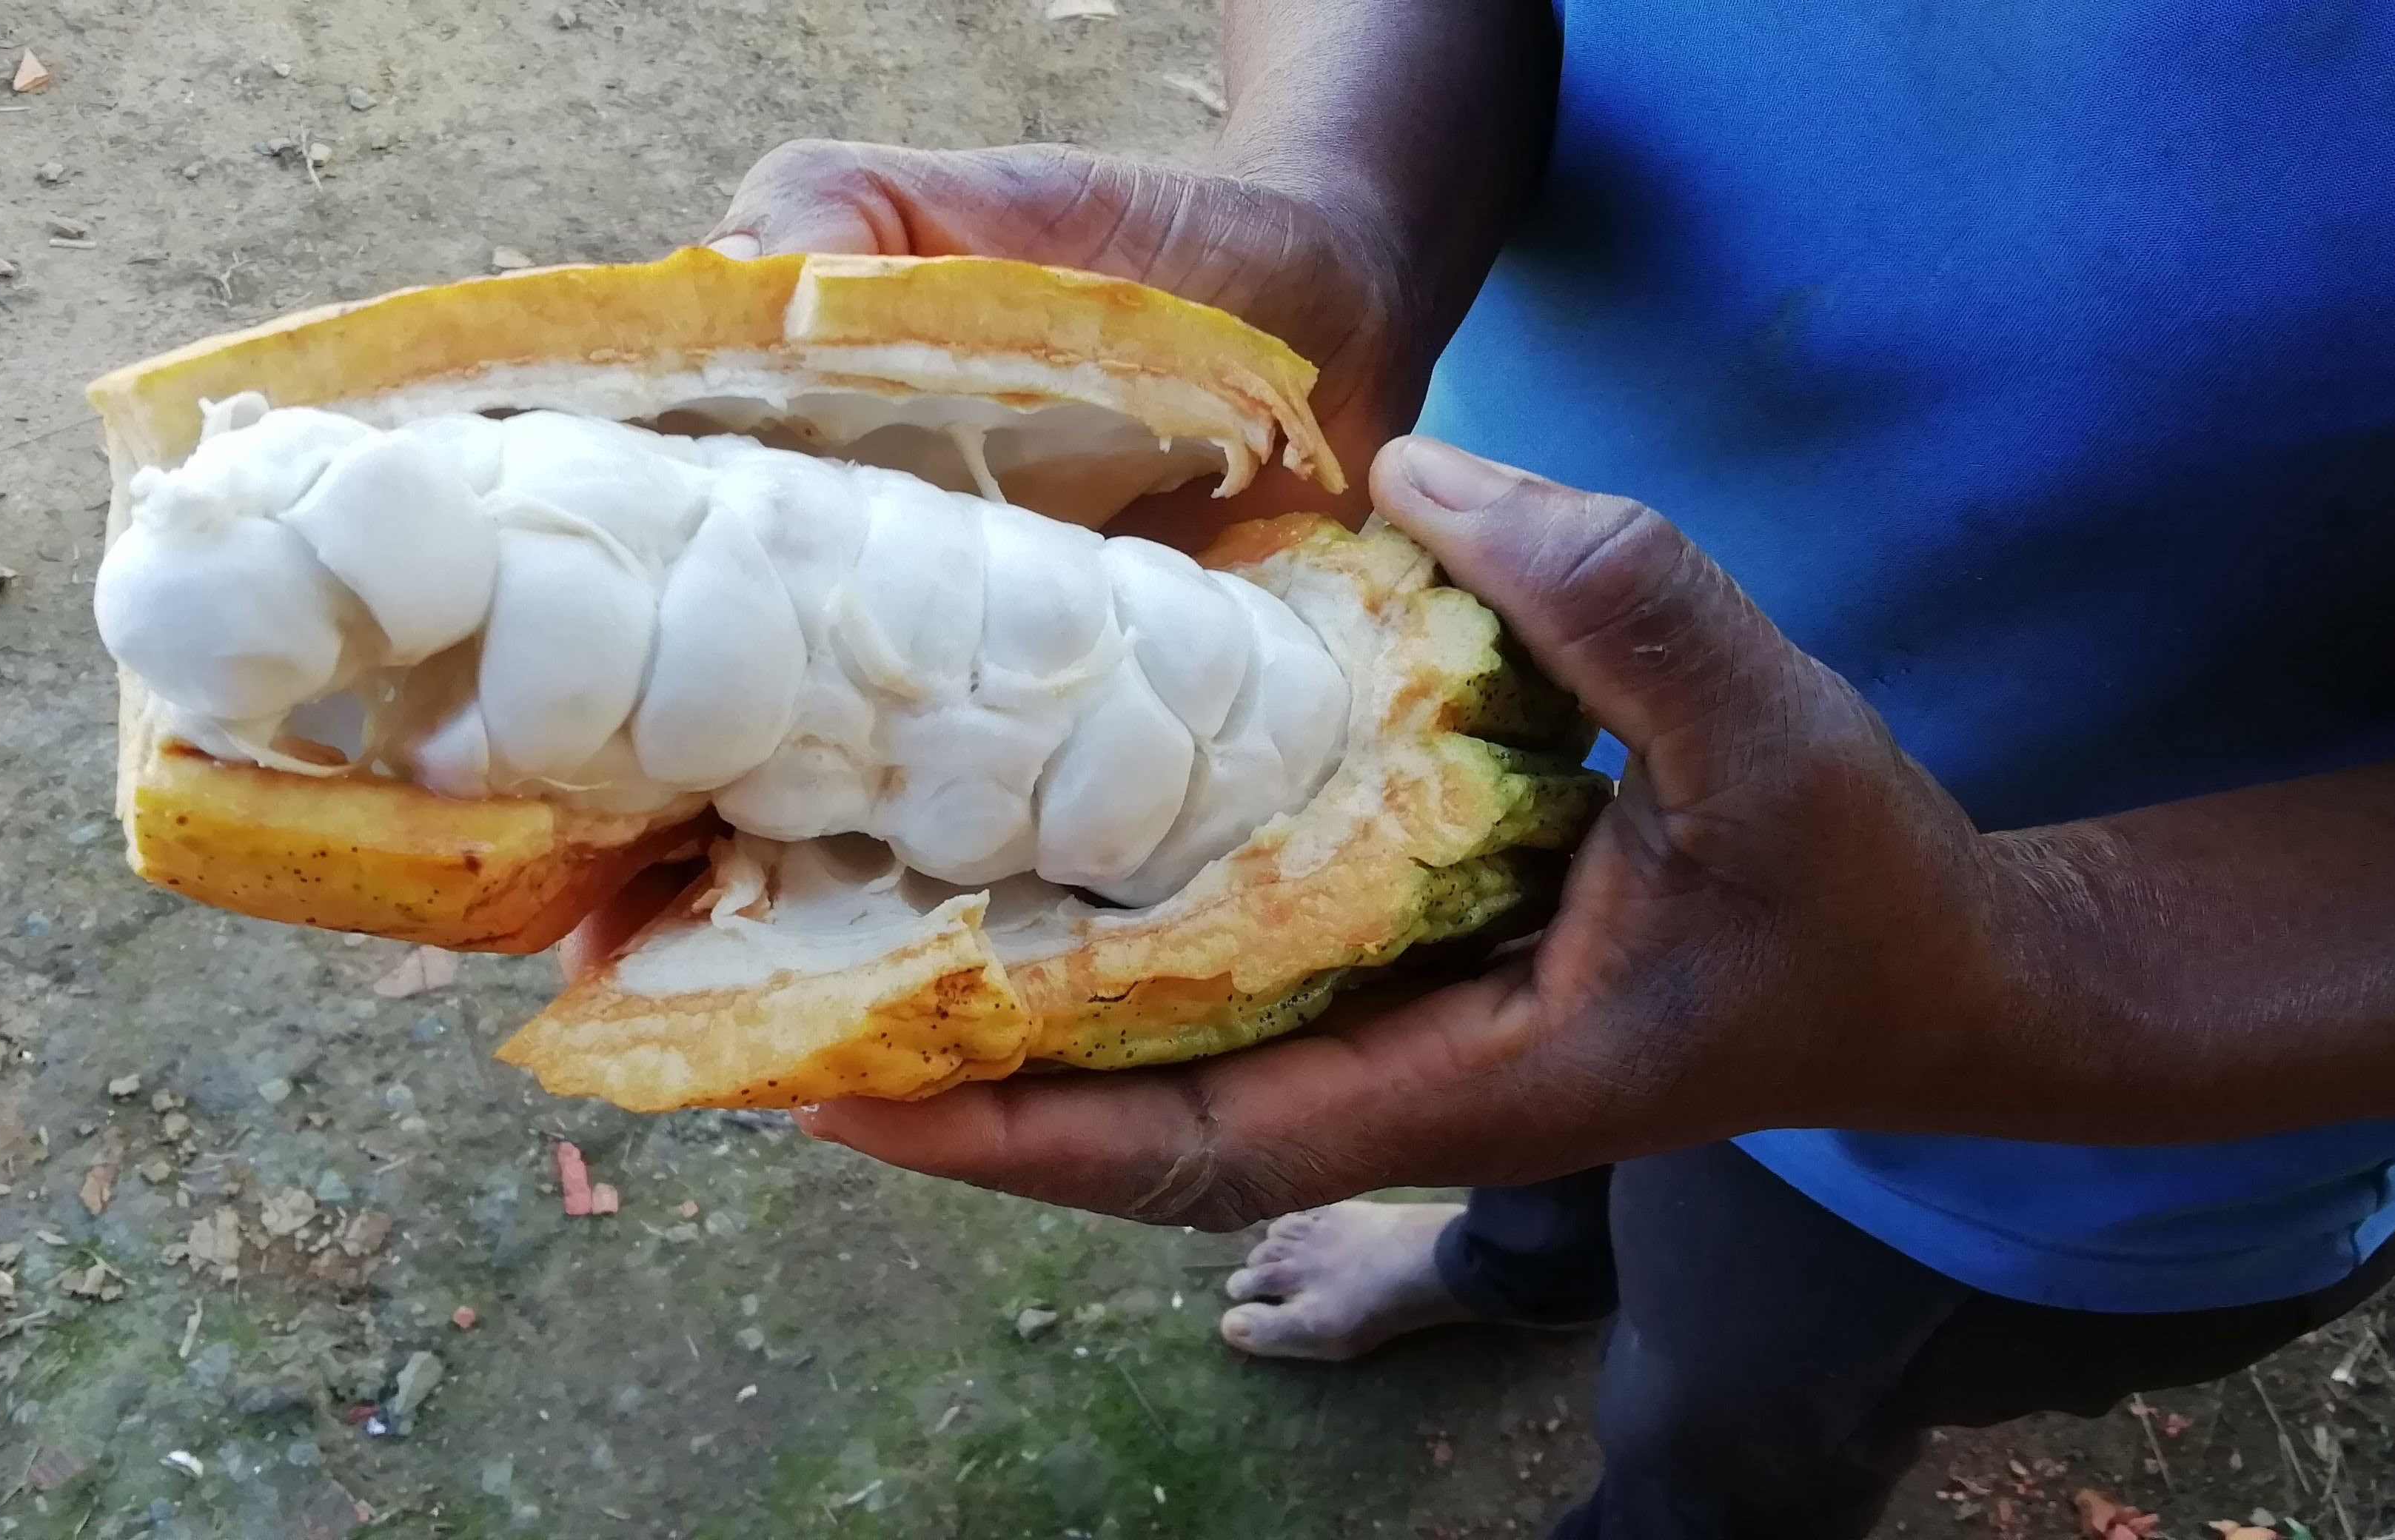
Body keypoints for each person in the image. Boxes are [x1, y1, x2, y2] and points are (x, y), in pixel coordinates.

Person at [696, 1, 2395, 1534]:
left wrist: (2022, 965)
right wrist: (1350, 205)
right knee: (1528, 1086)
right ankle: (1505, 1263)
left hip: (2072, 1056)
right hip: (1476, 658)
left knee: (1730, 1404)